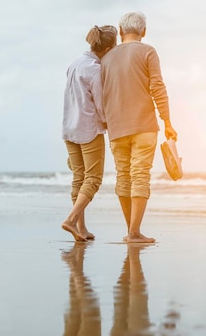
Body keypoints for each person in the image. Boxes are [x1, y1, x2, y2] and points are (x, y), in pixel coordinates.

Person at [101, 12, 177, 244]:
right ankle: (134, 232)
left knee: (124, 177)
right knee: (140, 176)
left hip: (116, 127)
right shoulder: (148, 51)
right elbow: (158, 87)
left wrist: (105, 121)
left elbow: (101, 93)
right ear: (143, 32)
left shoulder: (106, 58)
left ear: (120, 30)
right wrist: (167, 121)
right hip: (144, 125)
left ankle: (131, 230)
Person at [61, 25, 118, 242]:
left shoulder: (75, 64)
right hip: (88, 129)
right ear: (109, 48)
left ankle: (81, 229)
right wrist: (110, 124)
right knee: (93, 179)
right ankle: (71, 219)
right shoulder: (94, 69)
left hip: (69, 127)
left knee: (79, 178)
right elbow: (100, 103)